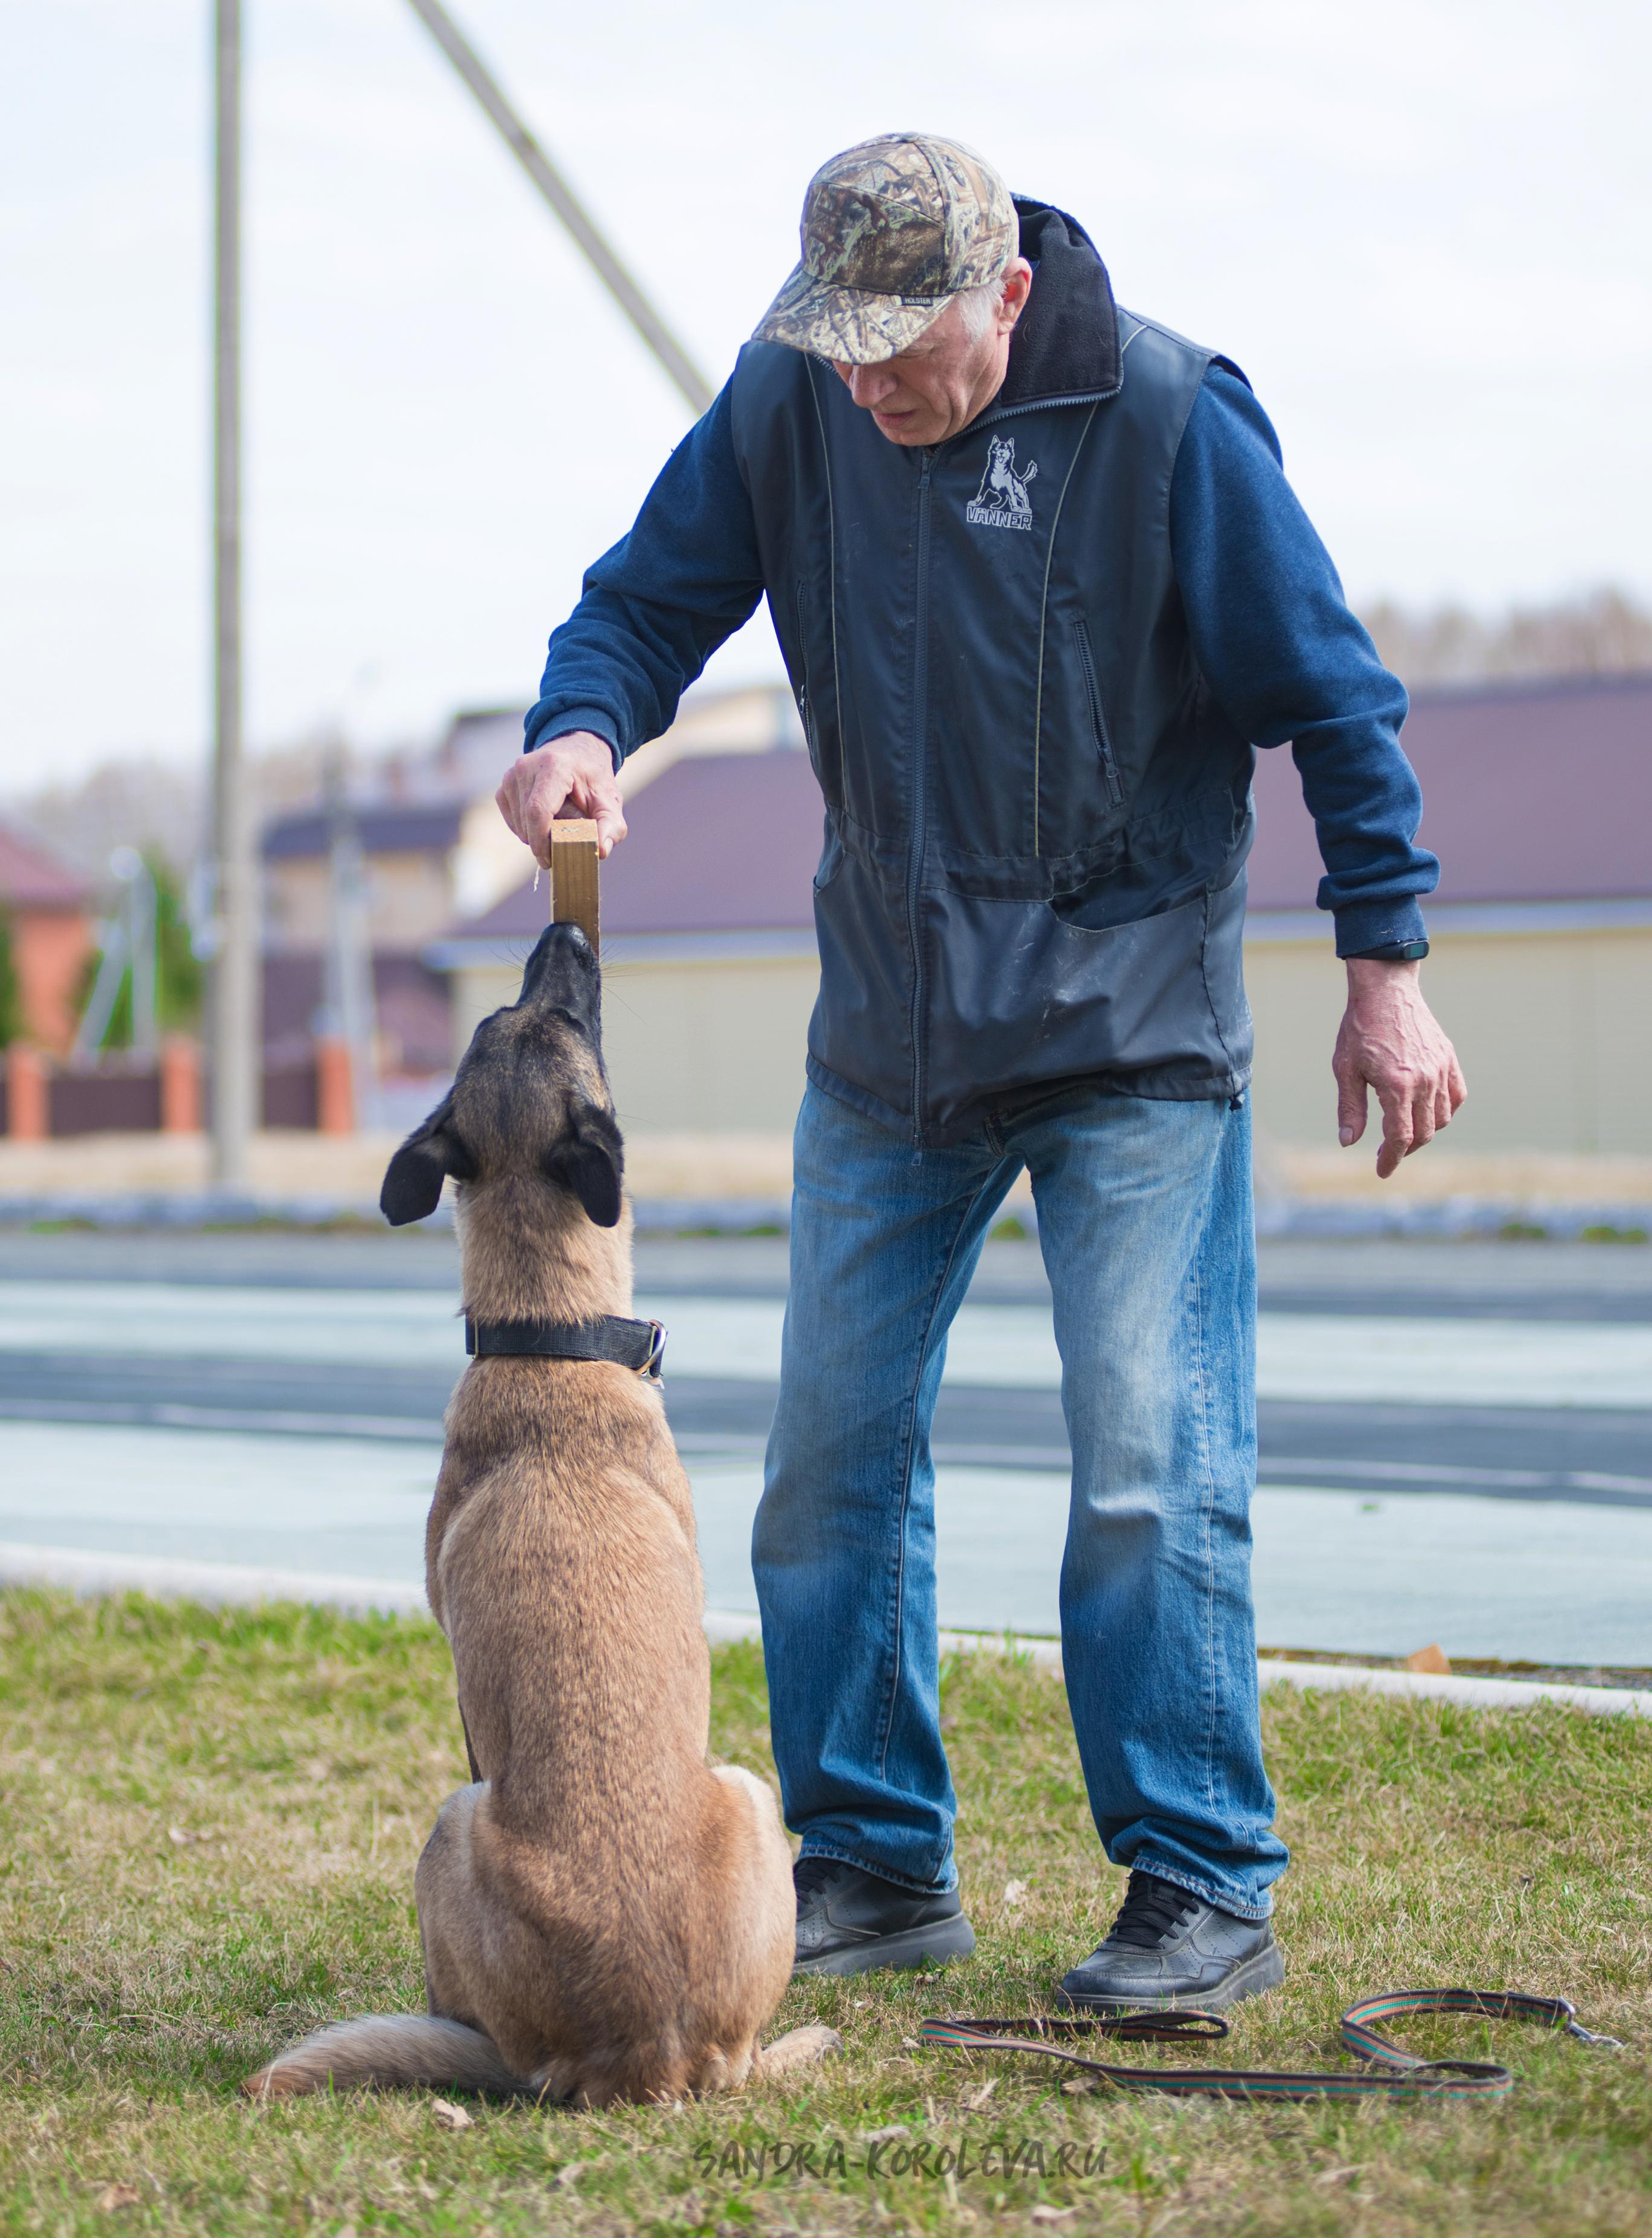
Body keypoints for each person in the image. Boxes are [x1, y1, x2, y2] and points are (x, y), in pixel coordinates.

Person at [496, 134, 1465, 2008]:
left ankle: (1199, 1880)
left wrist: (1387, 966)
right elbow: (640, 601)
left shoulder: (1174, 418)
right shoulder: (796, 408)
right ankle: (871, 1859)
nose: (868, 382)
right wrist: (576, 724)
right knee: (828, 1467)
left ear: (1007, 292)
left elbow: (1333, 700)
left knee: (1144, 1458)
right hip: (891, 1034)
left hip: (1133, 1035)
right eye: (839, 344)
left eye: (902, 344)